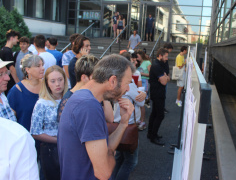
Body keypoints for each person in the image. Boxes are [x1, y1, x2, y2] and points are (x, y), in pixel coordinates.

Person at [58, 54, 135, 180]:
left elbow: (105, 147)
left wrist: (123, 123)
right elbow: (103, 173)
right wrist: (111, 155)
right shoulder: (89, 106)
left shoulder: (83, 98)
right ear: (113, 81)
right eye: (127, 83)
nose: (127, 89)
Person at [112, 52, 146, 180]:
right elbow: (141, 101)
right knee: (131, 161)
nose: (135, 63)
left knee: (119, 157)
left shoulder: (117, 81)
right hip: (128, 126)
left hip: (117, 123)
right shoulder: (129, 84)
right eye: (132, 61)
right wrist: (143, 93)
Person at [30, 65, 68, 180]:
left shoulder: (70, 99)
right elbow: (35, 132)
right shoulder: (42, 103)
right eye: (53, 81)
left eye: (60, 80)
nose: (57, 84)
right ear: (47, 83)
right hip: (51, 150)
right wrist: (58, 140)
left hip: (69, 149)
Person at [57, 54, 113, 123]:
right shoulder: (68, 99)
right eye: (95, 77)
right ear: (84, 78)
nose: (98, 81)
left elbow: (110, 119)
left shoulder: (94, 94)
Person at [8, 54, 44, 131]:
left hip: (48, 139)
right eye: (38, 66)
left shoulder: (47, 86)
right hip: (25, 137)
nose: (42, 68)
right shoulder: (16, 91)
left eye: (42, 65)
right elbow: (9, 121)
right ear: (27, 69)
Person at [147, 48, 170, 145]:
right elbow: (164, 81)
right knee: (160, 115)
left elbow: (168, 76)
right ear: (160, 55)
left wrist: (166, 76)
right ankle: (153, 136)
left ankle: (150, 134)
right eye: (165, 56)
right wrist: (165, 77)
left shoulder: (162, 64)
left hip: (158, 93)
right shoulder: (156, 66)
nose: (167, 59)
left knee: (155, 113)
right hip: (157, 94)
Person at [0, 29, 20, 95]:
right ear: (12, 38)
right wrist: (18, 82)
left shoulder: (3, 49)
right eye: (17, 38)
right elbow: (12, 68)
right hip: (8, 82)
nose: (18, 40)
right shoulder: (7, 51)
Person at [163, 43, 173, 113]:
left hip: (165, 75)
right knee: (163, 93)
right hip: (164, 76)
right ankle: (162, 108)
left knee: (163, 93)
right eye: (170, 49)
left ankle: (162, 107)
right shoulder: (163, 56)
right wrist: (167, 75)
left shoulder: (164, 56)